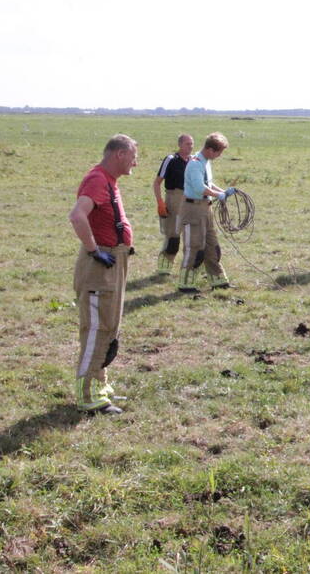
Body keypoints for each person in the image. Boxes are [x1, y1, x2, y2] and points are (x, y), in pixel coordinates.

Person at [68, 134, 138, 415]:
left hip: (113, 264)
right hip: (100, 267)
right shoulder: (97, 179)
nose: (136, 162)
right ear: (119, 154)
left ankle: (100, 387)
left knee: (108, 327)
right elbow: (77, 216)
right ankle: (87, 396)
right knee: (97, 329)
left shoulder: (109, 181)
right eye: (134, 156)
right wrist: (94, 249)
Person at [178, 132, 236, 292]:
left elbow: (208, 183)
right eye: (219, 152)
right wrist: (218, 195)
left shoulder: (205, 162)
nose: (219, 155)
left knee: (212, 246)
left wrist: (223, 191)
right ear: (210, 150)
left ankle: (217, 280)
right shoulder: (196, 164)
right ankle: (185, 283)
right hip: (193, 210)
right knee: (195, 247)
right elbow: (199, 188)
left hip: (205, 208)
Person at [153, 133, 194, 275]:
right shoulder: (171, 159)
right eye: (187, 144)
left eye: (192, 144)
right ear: (180, 145)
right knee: (173, 237)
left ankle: (189, 268)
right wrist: (160, 203)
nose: (190, 147)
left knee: (190, 236)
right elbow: (157, 183)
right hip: (174, 198)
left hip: (190, 199)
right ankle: (163, 269)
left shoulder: (193, 161)